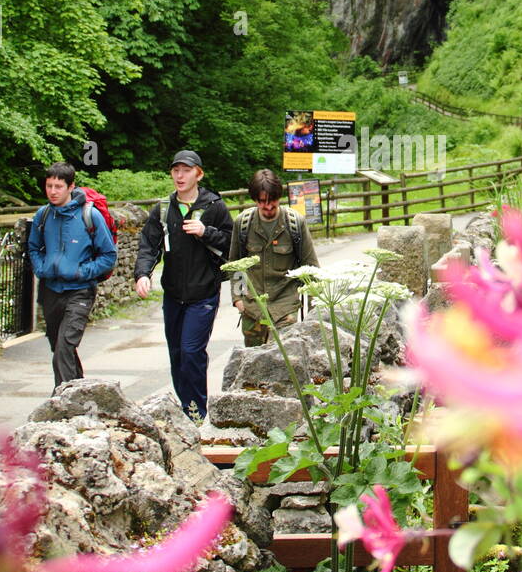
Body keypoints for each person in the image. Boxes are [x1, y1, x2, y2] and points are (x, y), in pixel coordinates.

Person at [133, 150, 233, 419]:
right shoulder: (164, 209)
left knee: (191, 352)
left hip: (203, 294)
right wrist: (143, 274)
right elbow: (148, 245)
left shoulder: (214, 207)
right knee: (177, 355)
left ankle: (198, 413)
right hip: (174, 294)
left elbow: (233, 243)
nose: (180, 175)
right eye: (176, 170)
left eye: (186, 170)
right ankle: (186, 409)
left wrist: (205, 232)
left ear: (198, 174)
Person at [27, 162, 117, 390]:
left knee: (65, 346)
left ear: (71, 187)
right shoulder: (43, 215)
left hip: (80, 291)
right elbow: (34, 248)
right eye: (49, 186)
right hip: (51, 290)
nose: (53, 191)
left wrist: (81, 272)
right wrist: (41, 268)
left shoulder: (90, 216)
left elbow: (108, 255)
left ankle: (61, 399)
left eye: (58, 186)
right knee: (58, 346)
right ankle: (78, 392)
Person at [228, 169, 319, 346]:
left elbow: (311, 268)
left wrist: (313, 309)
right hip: (252, 308)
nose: (268, 207)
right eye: (262, 202)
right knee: (254, 363)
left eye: (273, 201)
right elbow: (236, 264)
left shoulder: (295, 223)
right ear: (255, 200)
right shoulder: (243, 223)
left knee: (284, 361)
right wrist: (238, 299)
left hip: (285, 307)